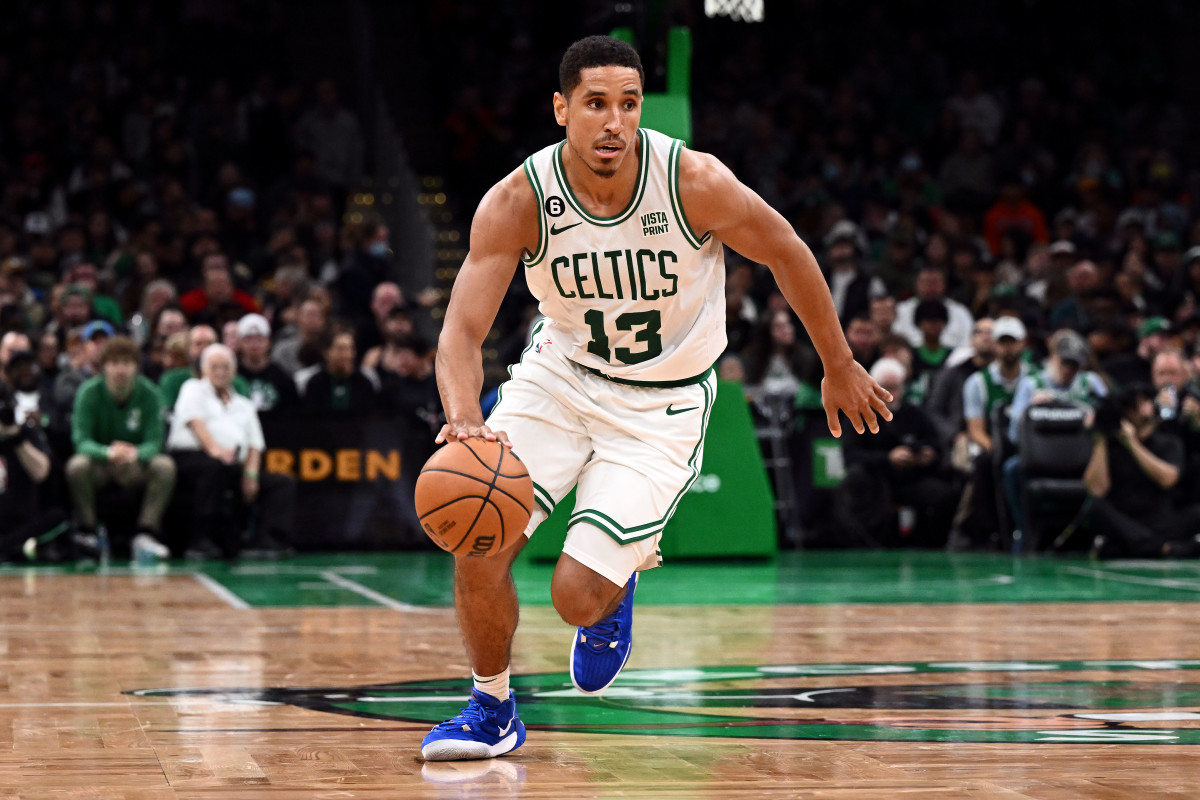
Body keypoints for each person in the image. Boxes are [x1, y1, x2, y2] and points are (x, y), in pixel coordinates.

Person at [420, 36, 890, 762]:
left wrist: (838, 361)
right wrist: (464, 422)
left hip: (660, 406)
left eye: (629, 104)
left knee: (575, 596)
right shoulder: (519, 200)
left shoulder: (691, 181)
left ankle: (614, 583)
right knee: (478, 540)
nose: (614, 121)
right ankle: (491, 707)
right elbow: (461, 330)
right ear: (561, 109)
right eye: (596, 103)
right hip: (559, 381)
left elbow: (787, 249)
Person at [167, 344, 296, 559]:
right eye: (215, 366)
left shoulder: (244, 405)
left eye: (226, 367)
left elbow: (255, 444)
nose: (220, 371)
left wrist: (251, 475)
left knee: (282, 483)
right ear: (204, 370)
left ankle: (268, 541)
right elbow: (194, 422)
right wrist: (216, 451)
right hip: (191, 459)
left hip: (232, 464)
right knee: (213, 468)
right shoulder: (193, 388)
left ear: (234, 371)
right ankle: (201, 540)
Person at [65, 336, 176, 561]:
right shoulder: (88, 392)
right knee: (77, 466)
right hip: (101, 465)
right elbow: (81, 440)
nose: (120, 369)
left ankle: (146, 534)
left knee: (165, 466)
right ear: (103, 366)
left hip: (134, 465)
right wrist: (108, 452)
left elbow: (155, 441)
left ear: (136, 366)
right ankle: (89, 532)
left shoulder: (150, 393)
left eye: (126, 363)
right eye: (114, 363)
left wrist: (134, 454)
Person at [1084, 385, 1200, 558]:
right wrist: (1100, 438)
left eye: (1143, 403)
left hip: (1160, 520)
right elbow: (1097, 489)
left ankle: (1134, 547)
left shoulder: (1168, 442)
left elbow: (1168, 479)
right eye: (1134, 406)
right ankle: (1163, 549)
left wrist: (1132, 443)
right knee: (1095, 508)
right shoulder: (1109, 445)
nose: (1139, 409)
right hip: (1124, 520)